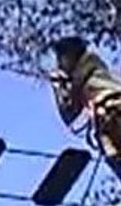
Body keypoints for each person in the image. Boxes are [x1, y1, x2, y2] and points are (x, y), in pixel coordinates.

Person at [49, 35, 121, 179]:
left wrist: (59, 87)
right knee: (111, 153)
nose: (59, 65)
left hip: (112, 112)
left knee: (113, 154)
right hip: (108, 116)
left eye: (60, 59)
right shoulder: (93, 69)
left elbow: (70, 112)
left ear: (70, 55)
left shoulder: (86, 68)